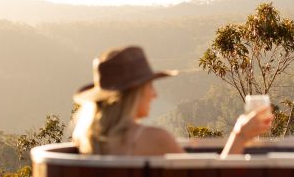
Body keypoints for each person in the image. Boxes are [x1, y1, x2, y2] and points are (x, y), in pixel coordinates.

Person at [72, 45, 271, 156]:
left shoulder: (87, 142)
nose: (155, 95)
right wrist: (240, 134)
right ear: (134, 94)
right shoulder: (153, 139)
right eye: (150, 87)